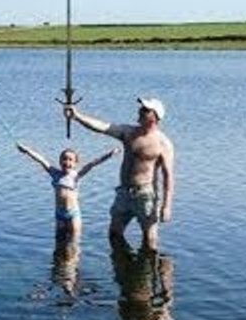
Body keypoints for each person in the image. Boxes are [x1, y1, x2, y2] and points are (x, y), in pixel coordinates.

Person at [66, 97, 175, 251]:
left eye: (145, 110)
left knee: (149, 239)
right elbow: (102, 127)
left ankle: (150, 271)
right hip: (123, 193)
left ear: (155, 116)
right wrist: (77, 116)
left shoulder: (164, 144)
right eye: (141, 108)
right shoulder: (128, 132)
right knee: (114, 234)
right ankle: (121, 269)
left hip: (146, 195)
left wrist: (167, 206)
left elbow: (168, 177)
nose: (140, 111)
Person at [16, 142, 119, 241]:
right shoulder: (54, 173)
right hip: (59, 214)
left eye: (70, 160)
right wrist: (27, 150)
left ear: (75, 163)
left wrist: (109, 154)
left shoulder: (76, 175)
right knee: (59, 240)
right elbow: (41, 160)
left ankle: (74, 258)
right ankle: (59, 259)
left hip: (73, 214)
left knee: (74, 242)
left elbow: (93, 163)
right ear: (60, 161)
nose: (67, 162)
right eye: (64, 159)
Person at [110, 235, 175, 320]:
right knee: (141, 245)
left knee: (123, 245)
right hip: (139, 287)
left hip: (130, 286)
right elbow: (167, 298)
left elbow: (167, 298)